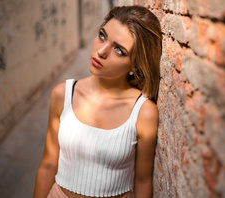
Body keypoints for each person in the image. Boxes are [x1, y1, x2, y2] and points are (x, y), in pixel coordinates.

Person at [33, 5, 162, 198]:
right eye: (102, 35)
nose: (101, 51)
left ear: (135, 64)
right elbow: (48, 164)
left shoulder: (143, 112)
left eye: (119, 50)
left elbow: (143, 180)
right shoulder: (63, 94)